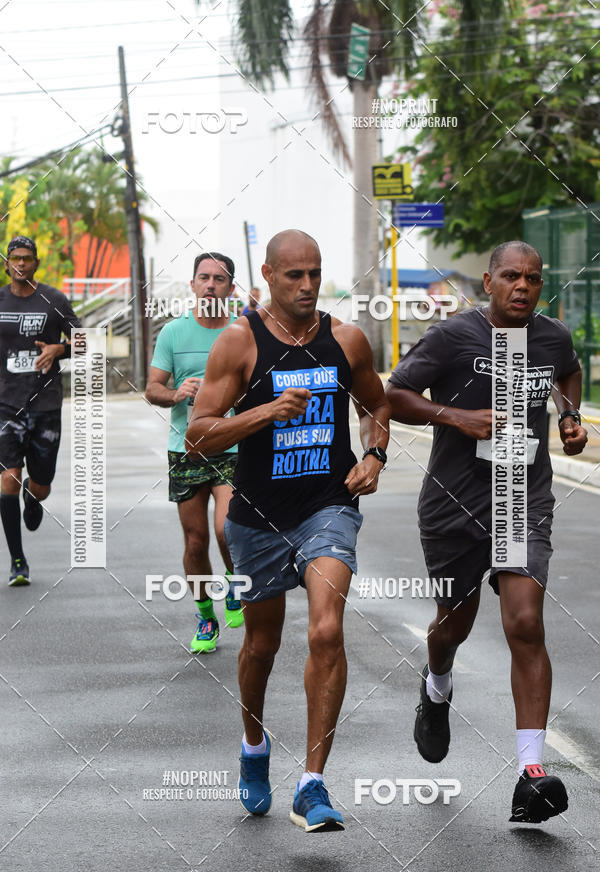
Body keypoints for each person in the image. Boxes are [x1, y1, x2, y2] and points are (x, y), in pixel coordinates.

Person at [186, 229, 390, 832]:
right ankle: (254, 747)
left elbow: (376, 405)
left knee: (327, 629)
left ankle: (312, 783)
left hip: (328, 507)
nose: (306, 286)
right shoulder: (238, 343)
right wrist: (265, 413)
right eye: (294, 275)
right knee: (261, 647)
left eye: (314, 274)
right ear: (269, 276)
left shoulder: (345, 339)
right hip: (257, 518)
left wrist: (374, 456)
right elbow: (199, 434)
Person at [385, 241, 588, 824]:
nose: (522, 287)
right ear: (488, 281)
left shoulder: (551, 337)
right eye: (510, 277)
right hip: (455, 504)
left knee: (525, 622)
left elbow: (568, 373)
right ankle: (438, 685)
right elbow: (394, 395)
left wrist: (569, 417)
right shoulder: (453, 337)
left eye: (532, 278)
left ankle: (531, 773)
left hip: (521, 498)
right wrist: (457, 417)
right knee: (454, 626)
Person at [145, 252, 243, 653]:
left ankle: (237, 585)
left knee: (226, 528)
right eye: (203, 278)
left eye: (219, 279)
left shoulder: (242, 332)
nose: (210, 285)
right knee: (195, 541)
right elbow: (152, 388)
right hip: (186, 449)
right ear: (192, 285)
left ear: (230, 288)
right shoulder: (172, 333)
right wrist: (177, 393)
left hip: (233, 444)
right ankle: (206, 615)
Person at [0, 236, 81, 586]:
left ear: (36, 262)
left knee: (40, 485)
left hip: (46, 404)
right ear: (6, 264)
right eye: (15, 258)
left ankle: (34, 500)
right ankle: (18, 560)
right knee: (8, 478)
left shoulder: (54, 299)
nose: (21, 263)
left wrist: (58, 349)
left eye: (27, 258)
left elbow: (85, 340)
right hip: (5, 404)